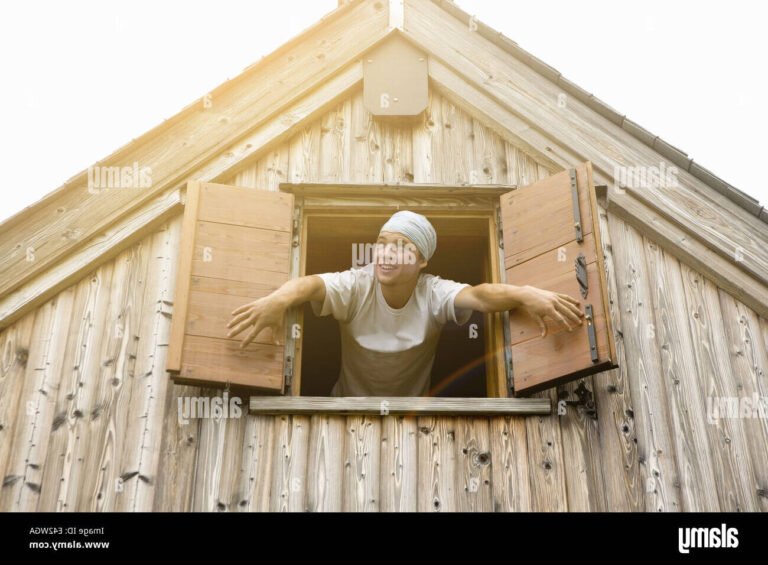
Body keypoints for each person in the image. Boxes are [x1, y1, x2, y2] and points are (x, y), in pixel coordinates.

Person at [227, 210, 583, 396]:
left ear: (422, 261)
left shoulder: (432, 292)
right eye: (382, 242)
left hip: (413, 412)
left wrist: (527, 294)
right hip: (341, 407)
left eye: (402, 247)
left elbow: (480, 295)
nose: (387, 253)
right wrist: (277, 300)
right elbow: (309, 284)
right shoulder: (357, 283)